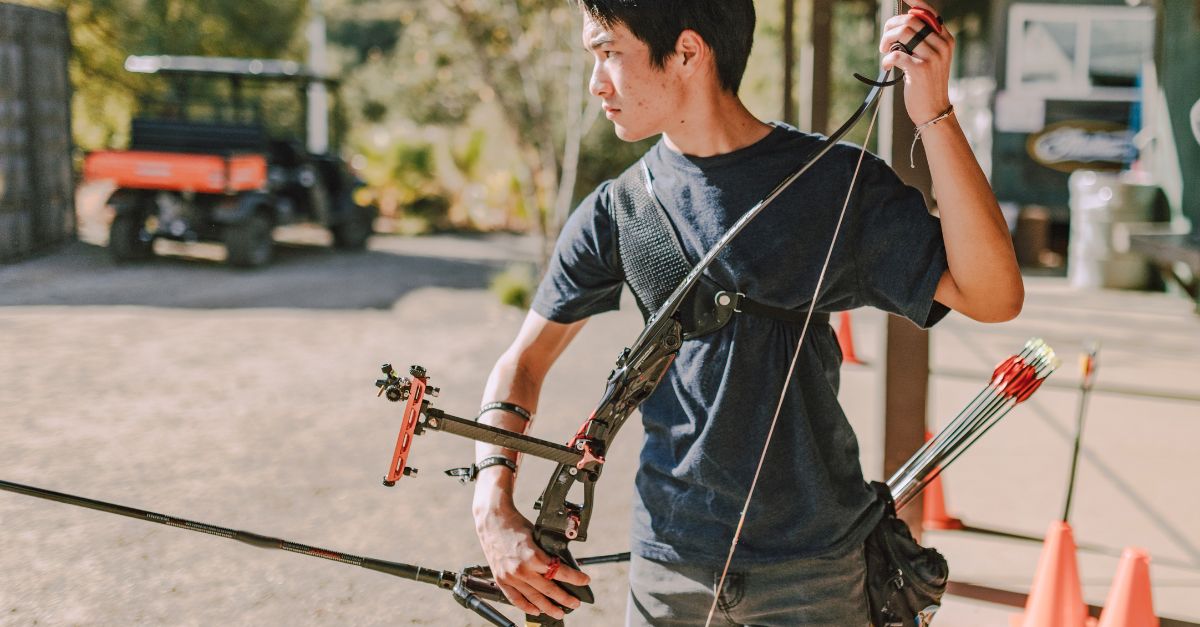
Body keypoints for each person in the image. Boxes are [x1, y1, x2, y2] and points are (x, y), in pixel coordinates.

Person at [471, 1, 1023, 625]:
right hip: (667, 568)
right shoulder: (616, 209)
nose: (596, 82)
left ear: (686, 51)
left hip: (814, 572)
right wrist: (493, 504)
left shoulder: (831, 180)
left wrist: (933, 113)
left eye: (609, 53)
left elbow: (993, 295)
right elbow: (522, 363)